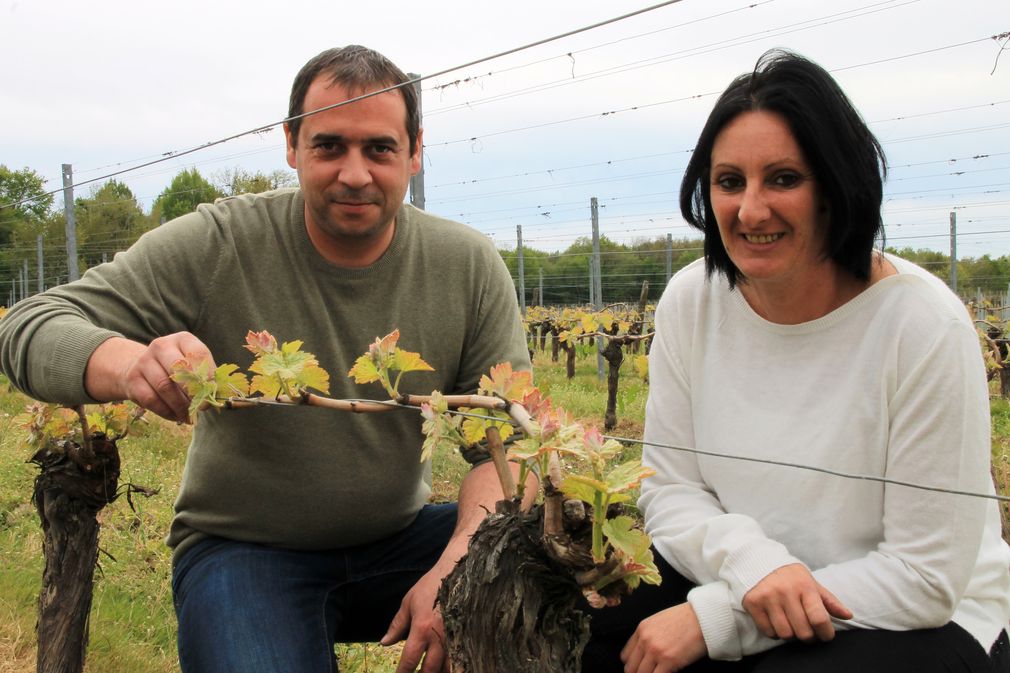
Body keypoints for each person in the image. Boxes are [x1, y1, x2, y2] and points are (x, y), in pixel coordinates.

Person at [0, 45, 530, 673]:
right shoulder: (222, 240)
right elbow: (28, 327)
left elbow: (508, 446)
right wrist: (129, 363)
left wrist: (457, 568)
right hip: (246, 553)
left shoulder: (467, 265)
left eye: (379, 149)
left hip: (403, 540)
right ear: (291, 145)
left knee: (561, 569)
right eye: (329, 146)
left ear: (415, 152)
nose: (355, 173)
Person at [583, 50, 1010, 673]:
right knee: (572, 624)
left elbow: (924, 577)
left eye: (784, 178)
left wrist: (720, 617)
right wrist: (754, 567)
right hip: (744, 576)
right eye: (730, 181)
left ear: (837, 187)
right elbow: (671, 488)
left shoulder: (921, 325)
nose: (751, 211)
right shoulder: (692, 301)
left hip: (915, 614)